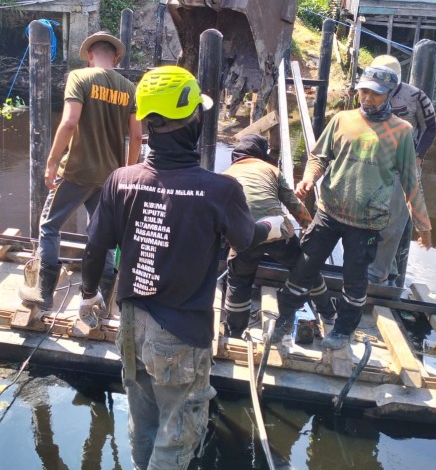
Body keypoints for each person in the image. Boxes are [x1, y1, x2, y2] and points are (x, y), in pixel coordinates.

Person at [77, 66, 285, 470]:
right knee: (179, 430)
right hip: (181, 333)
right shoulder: (220, 189)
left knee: (143, 422)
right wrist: (271, 227)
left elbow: (95, 246)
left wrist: (89, 293)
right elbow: (245, 240)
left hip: (132, 325)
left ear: (147, 122)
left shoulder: (121, 179)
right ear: (193, 120)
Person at [274, 63, 433, 350]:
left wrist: (423, 226)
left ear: (389, 95)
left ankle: (344, 330)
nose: (368, 98)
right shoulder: (342, 120)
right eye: (364, 91)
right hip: (330, 210)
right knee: (304, 266)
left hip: (367, 222)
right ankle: (283, 320)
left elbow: (411, 182)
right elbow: (319, 157)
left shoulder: (401, 132)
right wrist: (309, 178)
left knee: (355, 278)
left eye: (375, 93)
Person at [20, 31, 143, 312]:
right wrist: (125, 172)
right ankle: (101, 296)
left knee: (50, 226)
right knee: (102, 236)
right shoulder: (128, 88)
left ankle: (44, 292)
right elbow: (136, 136)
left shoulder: (80, 77)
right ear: (115, 57)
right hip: (109, 177)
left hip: (76, 171)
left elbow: (70, 122)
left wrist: (51, 161)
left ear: (90, 55)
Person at [222, 134, 323, 337]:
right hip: (278, 233)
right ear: (260, 153)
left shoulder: (226, 175)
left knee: (239, 280)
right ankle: (327, 311)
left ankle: (235, 331)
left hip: (245, 236)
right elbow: (295, 205)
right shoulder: (272, 169)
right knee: (304, 269)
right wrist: (309, 230)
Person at [366, 55, 436, 288]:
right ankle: (386, 268)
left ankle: (378, 275)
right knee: (367, 218)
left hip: (402, 165)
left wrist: (418, 156)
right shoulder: (368, 93)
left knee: (393, 223)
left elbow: (431, 127)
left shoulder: (415, 96)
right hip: (373, 164)